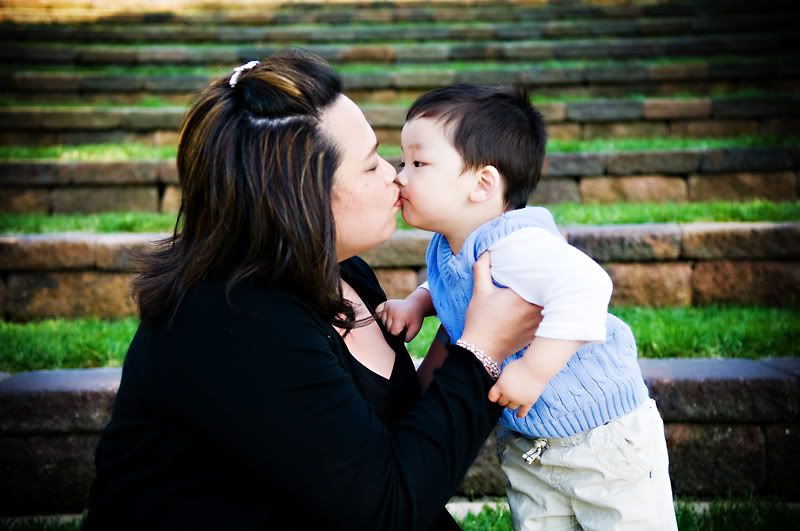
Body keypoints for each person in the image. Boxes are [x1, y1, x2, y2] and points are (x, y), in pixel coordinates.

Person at [80, 51, 541, 531]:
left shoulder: (345, 272)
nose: (394, 175)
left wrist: (464, 331)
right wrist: (483, 352)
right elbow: (386, 508)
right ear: (299, 198)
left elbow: (400, 446)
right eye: (369, 167)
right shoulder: (234, 322)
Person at [378, 84, 678, 530]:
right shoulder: (447, 247)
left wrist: (535, 369)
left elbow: (589, 285)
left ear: (482, 184)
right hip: (531, 438)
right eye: (404, 161)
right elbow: (457, 287)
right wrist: (420, 302)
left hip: (603, 434)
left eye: (418, 163)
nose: (400, 176)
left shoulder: (519, 244)